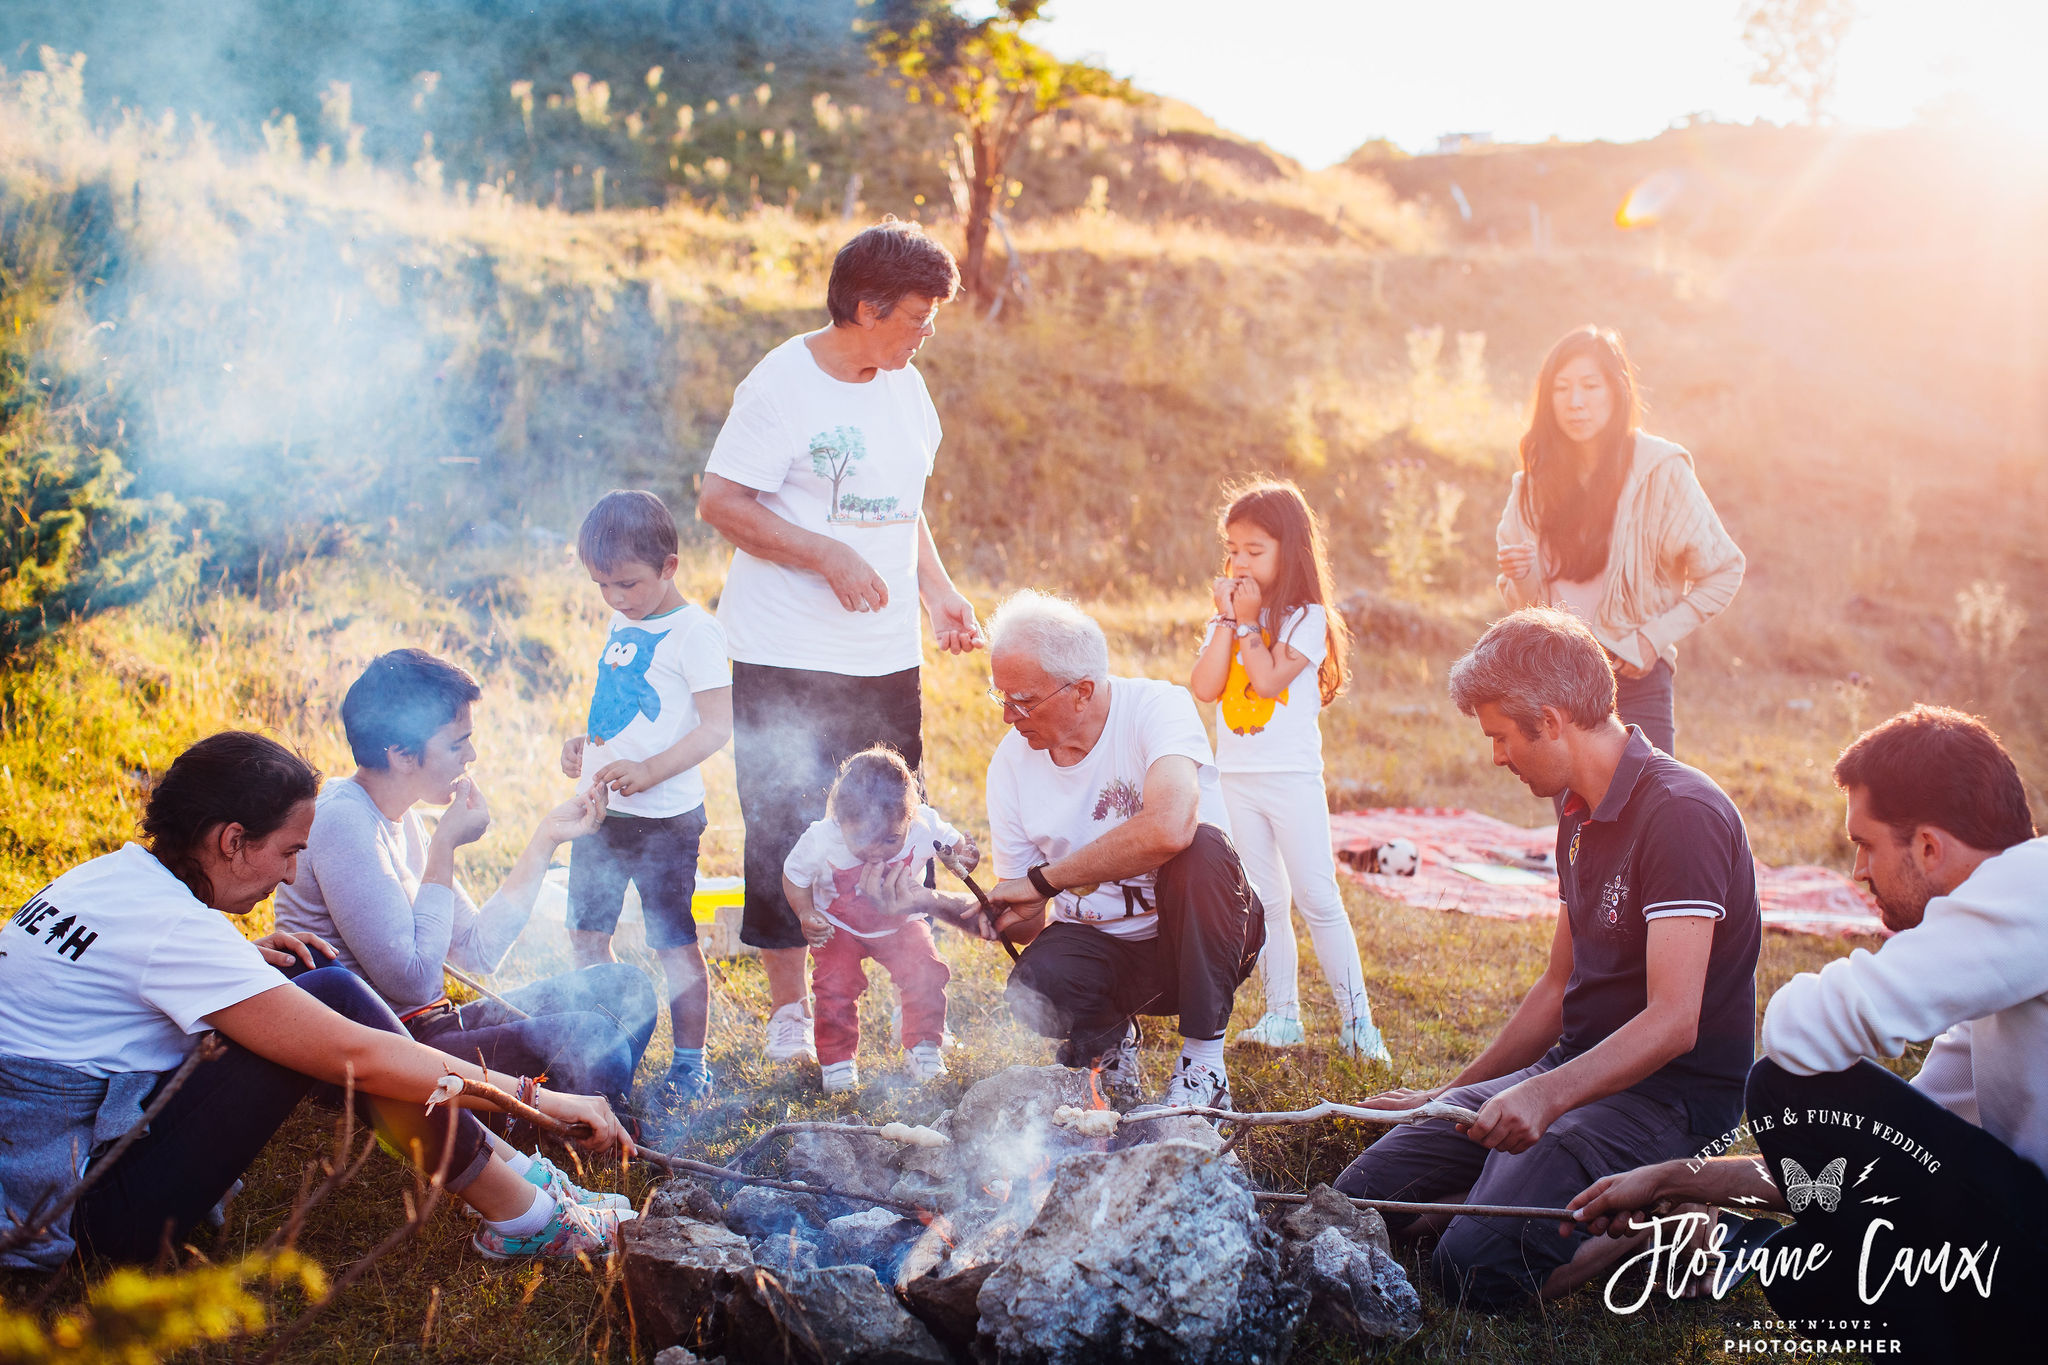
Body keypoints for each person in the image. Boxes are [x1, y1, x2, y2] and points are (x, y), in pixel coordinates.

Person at [0, 732, 636, 1270]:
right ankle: (528, 1215)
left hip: (33, 1176)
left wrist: (241, 960)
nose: (289, 876)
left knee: (322, 985)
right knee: (341, 1020)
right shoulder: (174, 933)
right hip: (72, 1217)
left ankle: (521, 1183)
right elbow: (358, 1053)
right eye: (288, 852)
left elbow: (114, 986)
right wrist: (539, 1097)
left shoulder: (110, 878)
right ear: (230, 840)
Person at [1568, 707, 2048, 1358]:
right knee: (1804, 1262)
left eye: (1867, 843)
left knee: (1781, 1082)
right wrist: (1675, 1178)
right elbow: (1883, 1163)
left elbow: (1799, 1038)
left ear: (1929, 847)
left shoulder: (2034, 890)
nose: (1857, 870)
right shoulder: (2003, 964)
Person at [1336, 607, 1761, 1309]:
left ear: (1554, 719)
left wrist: (1543, 1095)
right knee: (1361, 1199)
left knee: (1466, 1270)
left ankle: (1671, 1214)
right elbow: (1558, 983)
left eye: (1501, 736)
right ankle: (1505, 1200)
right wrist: (1442, 1098)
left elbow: (1674, 1021)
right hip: (1572, 1067)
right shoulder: (1574, 807)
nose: (1496, 756)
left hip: (1669, 1097)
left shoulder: (1685, 814)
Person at [696, 218, 983, 1069]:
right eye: (917, 317)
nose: (927, 333)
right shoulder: (781, 385)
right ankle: (791, 1008)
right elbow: (720, 500)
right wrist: (824, 552)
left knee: (895, 821)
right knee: (783, 820)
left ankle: (911, 994)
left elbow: (903, 505)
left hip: (884, 654)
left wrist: (938, 590)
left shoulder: (906, 387)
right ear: (867, 306)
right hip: (784, 647)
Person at [275, 650, 657, 1117]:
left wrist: (546, 839)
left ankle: (589, 1112)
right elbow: (413, 983)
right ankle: (584, 1119)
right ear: (398, 753)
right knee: (596, 1040)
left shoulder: (401, 819)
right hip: (394, 1053)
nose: (471, 757)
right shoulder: (342, 822)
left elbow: (479, 950)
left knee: (627, 988)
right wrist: (444, 849)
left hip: (433, 1028)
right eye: (457, 745)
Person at [974, 589, 1263, 1109]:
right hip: (1106, 947)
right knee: (1033, 987)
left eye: (1022, 701)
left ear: (1082, 691)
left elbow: (1170, 826)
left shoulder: (1157, 707)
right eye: (1002, 698)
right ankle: (1110, 1038)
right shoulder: (1011, 766)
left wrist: (1047, 880)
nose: (1008, 717)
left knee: (1201, 849)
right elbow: (1029, 925)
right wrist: (999, 912)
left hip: (1202, 938)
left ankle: (1203, 1065)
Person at [1189, 479, 1388, 1063]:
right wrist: (1227, 623)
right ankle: (1282, 1017)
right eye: (1233, 549)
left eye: (1255, 550)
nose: (1240, 561)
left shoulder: (1307, 617)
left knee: (1317, 896)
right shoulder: (1226, 618)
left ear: (1288, 550)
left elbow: (1270, 680)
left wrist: (1250, 624)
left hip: (1292, 778)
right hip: (1236, 778)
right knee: (1264, 900)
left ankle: (1359, 1025)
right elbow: (1204, 687)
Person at [1493, 326, 1744, 755]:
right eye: (1562, 389)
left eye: (1590, 386)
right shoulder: (1532, 485)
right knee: (1578, 820)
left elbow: (1723, 570)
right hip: (1559, 682)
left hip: (1635, 677)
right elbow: (1527, 609)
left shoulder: (1660, 470)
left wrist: (1651, 638)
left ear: (1618, 390)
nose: (1575, 402)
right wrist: (1523, 576)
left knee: (1647, 809)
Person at [559, 490, 732, 1111]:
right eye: (603, 585)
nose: (616, 598)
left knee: (671, 943)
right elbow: (619, 706)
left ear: (670, 566)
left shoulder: (696, 632)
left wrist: (652, 769)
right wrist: (586, 746)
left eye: (627, 583)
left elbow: (716, 726)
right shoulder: (623, 620)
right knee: (585, 934)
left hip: (664, 822)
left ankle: (691, 1064)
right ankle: (599, 1043)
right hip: (602, 814)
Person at [783, 746, 975, 1094]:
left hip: (901, 921)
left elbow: (957, 847)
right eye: (861, 839)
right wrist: (806, 913)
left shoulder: (924, 824)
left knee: (926, 971)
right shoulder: (822, 837)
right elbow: (794, 877)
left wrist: (962, 856)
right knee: (835, 985)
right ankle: (838, 1061)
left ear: (910, 817)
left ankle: (923, 1048)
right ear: (840, 821)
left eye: (890, 839)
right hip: (838, 927)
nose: (876, 851)